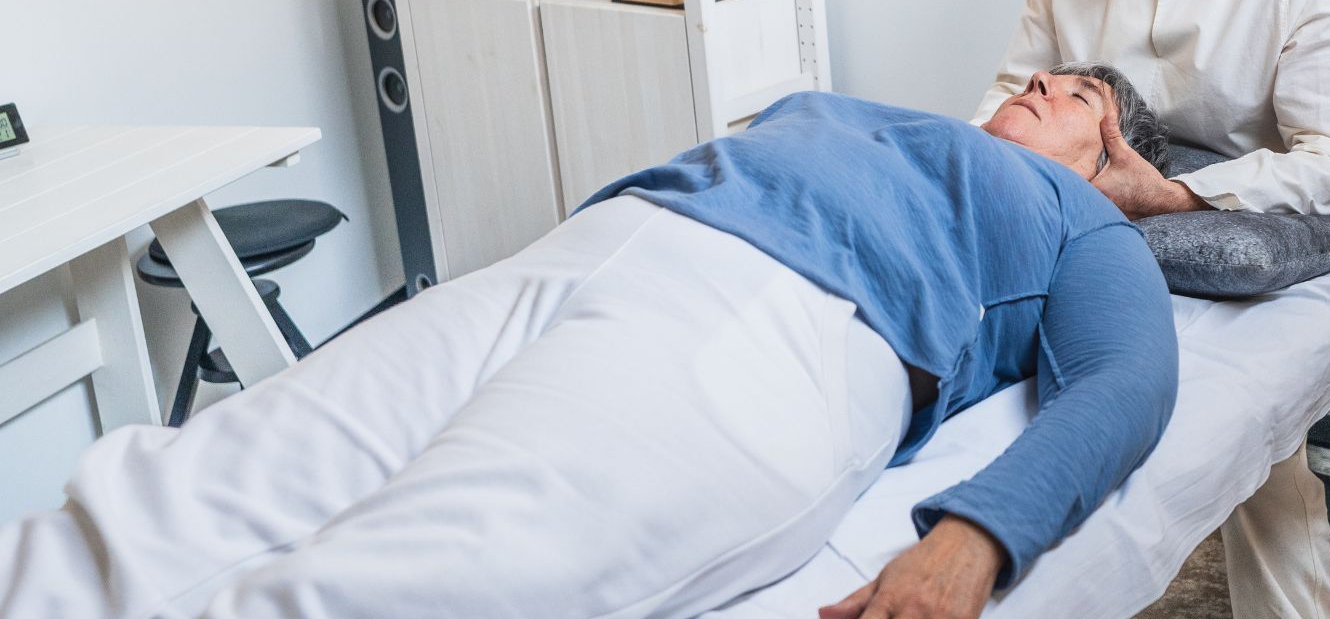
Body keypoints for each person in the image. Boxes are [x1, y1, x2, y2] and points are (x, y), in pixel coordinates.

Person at [0, 71, 1178, 619]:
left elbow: (1129, 382)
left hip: (777, 329)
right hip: (580, 251)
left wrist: (973, 540)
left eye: (1071, 89)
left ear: (1111, 141)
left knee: (389, 588)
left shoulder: (1074, 218)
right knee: (180, 490)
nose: (1034, 80)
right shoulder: (865, 107)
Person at [974, 0, 1330, 619]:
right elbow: (1004, 97)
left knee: (1248, 434)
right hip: (1085, 227)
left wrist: (1173, 196)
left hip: (1236, 224)